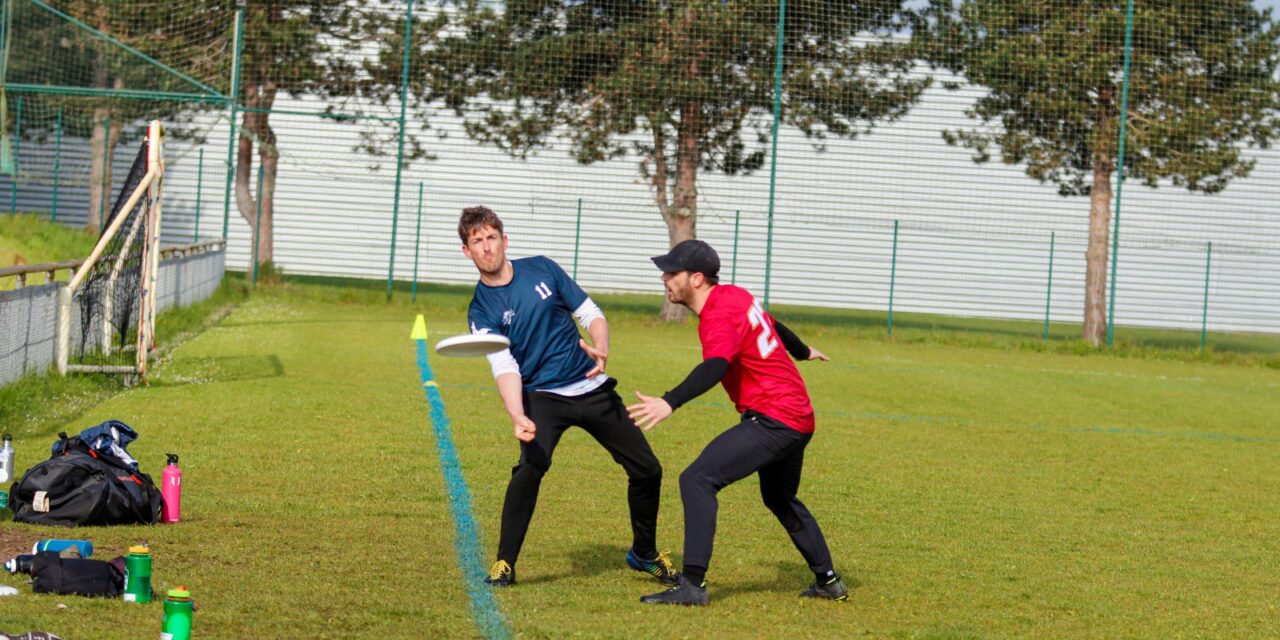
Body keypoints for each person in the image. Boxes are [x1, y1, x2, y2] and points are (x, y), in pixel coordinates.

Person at [458, 206, 674, 588]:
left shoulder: (543, 268)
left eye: (492, 238)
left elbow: (589, 311)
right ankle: (505, 563)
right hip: (542, 396)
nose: (487, 247)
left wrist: (601, 344)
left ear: (505, 241)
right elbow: (503, 365)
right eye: (478, 241)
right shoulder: (481, 310)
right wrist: (516, 414)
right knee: (530, 469)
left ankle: (643, 554)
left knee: (648, 469)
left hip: (591, 385)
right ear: (467, 251)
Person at [627, 239, 848, 606]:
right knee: (779, 497)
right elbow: (774, 326)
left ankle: (692, 586)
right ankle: (828, 581)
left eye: (671, 272)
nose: (664, 278)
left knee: (697, 479)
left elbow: (716, 366)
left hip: (775, 418)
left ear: (696, 279)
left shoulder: (717, 313)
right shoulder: (735, 295)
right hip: (798, 416)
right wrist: (803, 351)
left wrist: (670, 401)